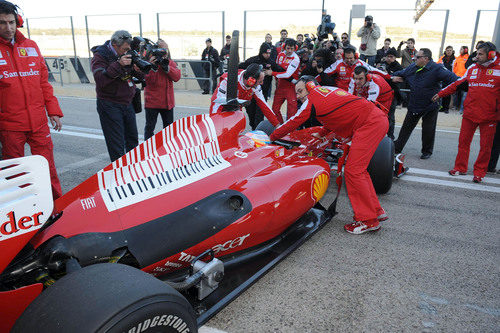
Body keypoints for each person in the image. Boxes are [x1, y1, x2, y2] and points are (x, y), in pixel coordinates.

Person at [270, 76, 389, 235]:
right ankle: (376, 210)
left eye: (300, 92)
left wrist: (271, 137)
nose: (297, 96)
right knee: (359, 171)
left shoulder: (311, 100)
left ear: (310, 87)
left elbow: (293, 122)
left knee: (353, 172)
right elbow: (339, 112)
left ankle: (368, 220)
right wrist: (323, 132)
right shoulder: (328, 90)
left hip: (368, 124)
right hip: (375, 118)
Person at [0, 0, 63, 199]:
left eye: (11, 22)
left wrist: (53, 111)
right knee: (15, 174)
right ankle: (24, 212)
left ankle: (55, 208)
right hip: (10, 125)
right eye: (2, 23)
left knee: (47, 168)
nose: (8, 28)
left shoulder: (31, 46)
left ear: (17, 22)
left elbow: (44, 83)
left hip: (38, 122)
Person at [432, 42, 499, 183]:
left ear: (491, 55)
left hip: (490, 116)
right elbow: (457, 84)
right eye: (477, 53)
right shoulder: (472, 68)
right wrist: (441, 93)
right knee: (463, 143)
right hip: (470, 113)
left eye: (480, 54)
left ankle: (480, 172)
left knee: (485, 147)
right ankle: (460, 168)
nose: (477, 56)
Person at [392, 48, 458, 159]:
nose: (414, 59)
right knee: (406, 128)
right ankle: (397, 148)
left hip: (430, 105)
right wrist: (392, 77)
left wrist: (442, 93)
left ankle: (427, 151)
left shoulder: (437, 68)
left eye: (417, 57)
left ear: (426, 59)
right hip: (414, 104)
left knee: (428, 130)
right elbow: (401, 73)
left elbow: (455, 80)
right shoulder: (413, 67)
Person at [91, 30, 144, 163]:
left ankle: (133, 171)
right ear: (115, 45)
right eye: (125, 48)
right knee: (117, 145)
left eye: (129, 48)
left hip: (127, 102)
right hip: (109, 104)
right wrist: (119, 64)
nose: (128, 51)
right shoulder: (100, 56)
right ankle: (119, 174)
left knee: (132, 140)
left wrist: (139, 70)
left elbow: (140, 77)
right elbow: (100, 80)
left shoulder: (127, 54)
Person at [209, 63, 280, 129]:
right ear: (251, 80)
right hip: (220, 106)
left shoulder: (255, 86)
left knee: (237, 126)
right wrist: (214, 123)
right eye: (260, 81)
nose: (261, 84)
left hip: (236, 107)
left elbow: (264, 105)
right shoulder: (228, 81)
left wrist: (277, 125)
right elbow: (217, 103)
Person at [239, 43, 284, 129]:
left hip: (262, 93)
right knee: (251, 116)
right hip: (250, 94)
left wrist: (272, 73)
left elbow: (282, 71)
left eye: (269, 53)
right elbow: (239, 67)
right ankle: (253, 129)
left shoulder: (271, 62)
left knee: (259, 118)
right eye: (266, 53)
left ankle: (257, 133)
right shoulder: (252, 61)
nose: (268, 55)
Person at [143, 39, 181, 140]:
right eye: (162, 49)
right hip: (152, 103)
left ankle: (168, 149)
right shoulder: (148, 63)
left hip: (167, 103)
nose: (164, 52)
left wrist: (167, 68)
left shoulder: (170, 63)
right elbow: (147, 80)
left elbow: (177, 77)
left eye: (165, 50)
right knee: (149, 128)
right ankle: (148, 150)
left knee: (169, 130)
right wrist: (151, 66)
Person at [317, 47, 390, 91]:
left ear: (355, 56)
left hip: (355, 93)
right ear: (343, 57)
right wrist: (311, 81)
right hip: (340, 92)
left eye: (351, 58)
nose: (349, 60)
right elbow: (324, 73)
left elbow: (374, 70)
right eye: (347, 58)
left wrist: (390, 77)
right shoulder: (338, 63)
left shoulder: (360, 63)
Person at [267, 38, 301, 123]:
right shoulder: (280, 55)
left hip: (291, 87)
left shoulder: (295, 59)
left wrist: (272, 73)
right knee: (275, 109)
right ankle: (280, 127)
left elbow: (287, 74)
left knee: (292, 112)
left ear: (295, 48)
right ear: (284, 47)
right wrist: (276, 79)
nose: (289, 51)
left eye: (292, 49)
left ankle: (289, 131)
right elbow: (278, 68)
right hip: (280, 86)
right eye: (288, 48)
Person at [381, 48, 403, 139]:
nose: (389, 58)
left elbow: (398, 81)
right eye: (388, 56)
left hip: (393, 93)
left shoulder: (398, 67)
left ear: (395, 58)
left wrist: (388, 75)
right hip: (382, 94)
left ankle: (390, 136)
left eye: (391, 57)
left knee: (390, 116)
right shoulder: (382, 65)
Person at [436, 46, 455, 113]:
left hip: (450, 77)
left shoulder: (455, 59)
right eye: (447, 50)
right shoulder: (442, 58)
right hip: (443, 77)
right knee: (442, 92)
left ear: (452, 51)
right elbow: (438, 65)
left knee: (448, 93)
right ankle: (442, 107)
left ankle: (446, 108)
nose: (449, 51)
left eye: (450, 50)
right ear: (445, 51)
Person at [452, 46, 469, 112]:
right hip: (457, 77)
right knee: (456, 92)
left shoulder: (467, 57)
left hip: (464, 77)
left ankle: (461, 108)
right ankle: (455, 106)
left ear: (465, 50)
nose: (460, 50)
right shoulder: (458, 58)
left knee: (463, 94)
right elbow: (454, 67)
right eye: (460, 49)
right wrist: (454, 74)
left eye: (461, 49)